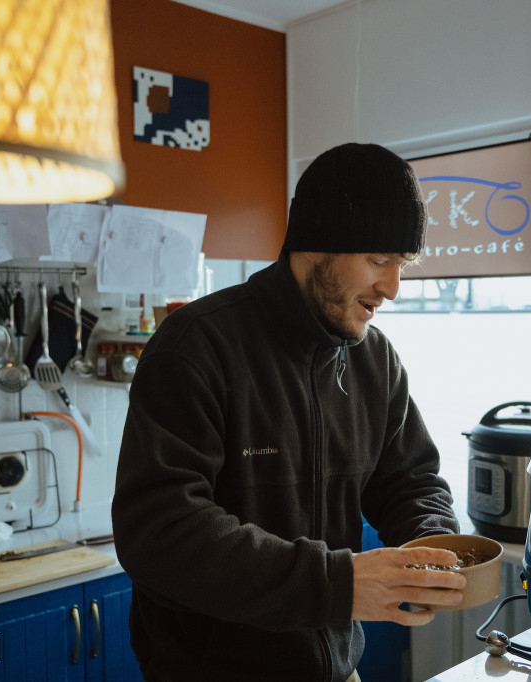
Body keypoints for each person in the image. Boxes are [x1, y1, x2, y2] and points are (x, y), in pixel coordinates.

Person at [112, 142, 464, 682]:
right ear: (318, 242)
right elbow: (162, 532)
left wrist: (433, 546)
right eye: (379, 260)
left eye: (403, 263)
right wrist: (340, 584)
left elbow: (410, 482)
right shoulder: (197, 347)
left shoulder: (376, 361)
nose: (392, 287)